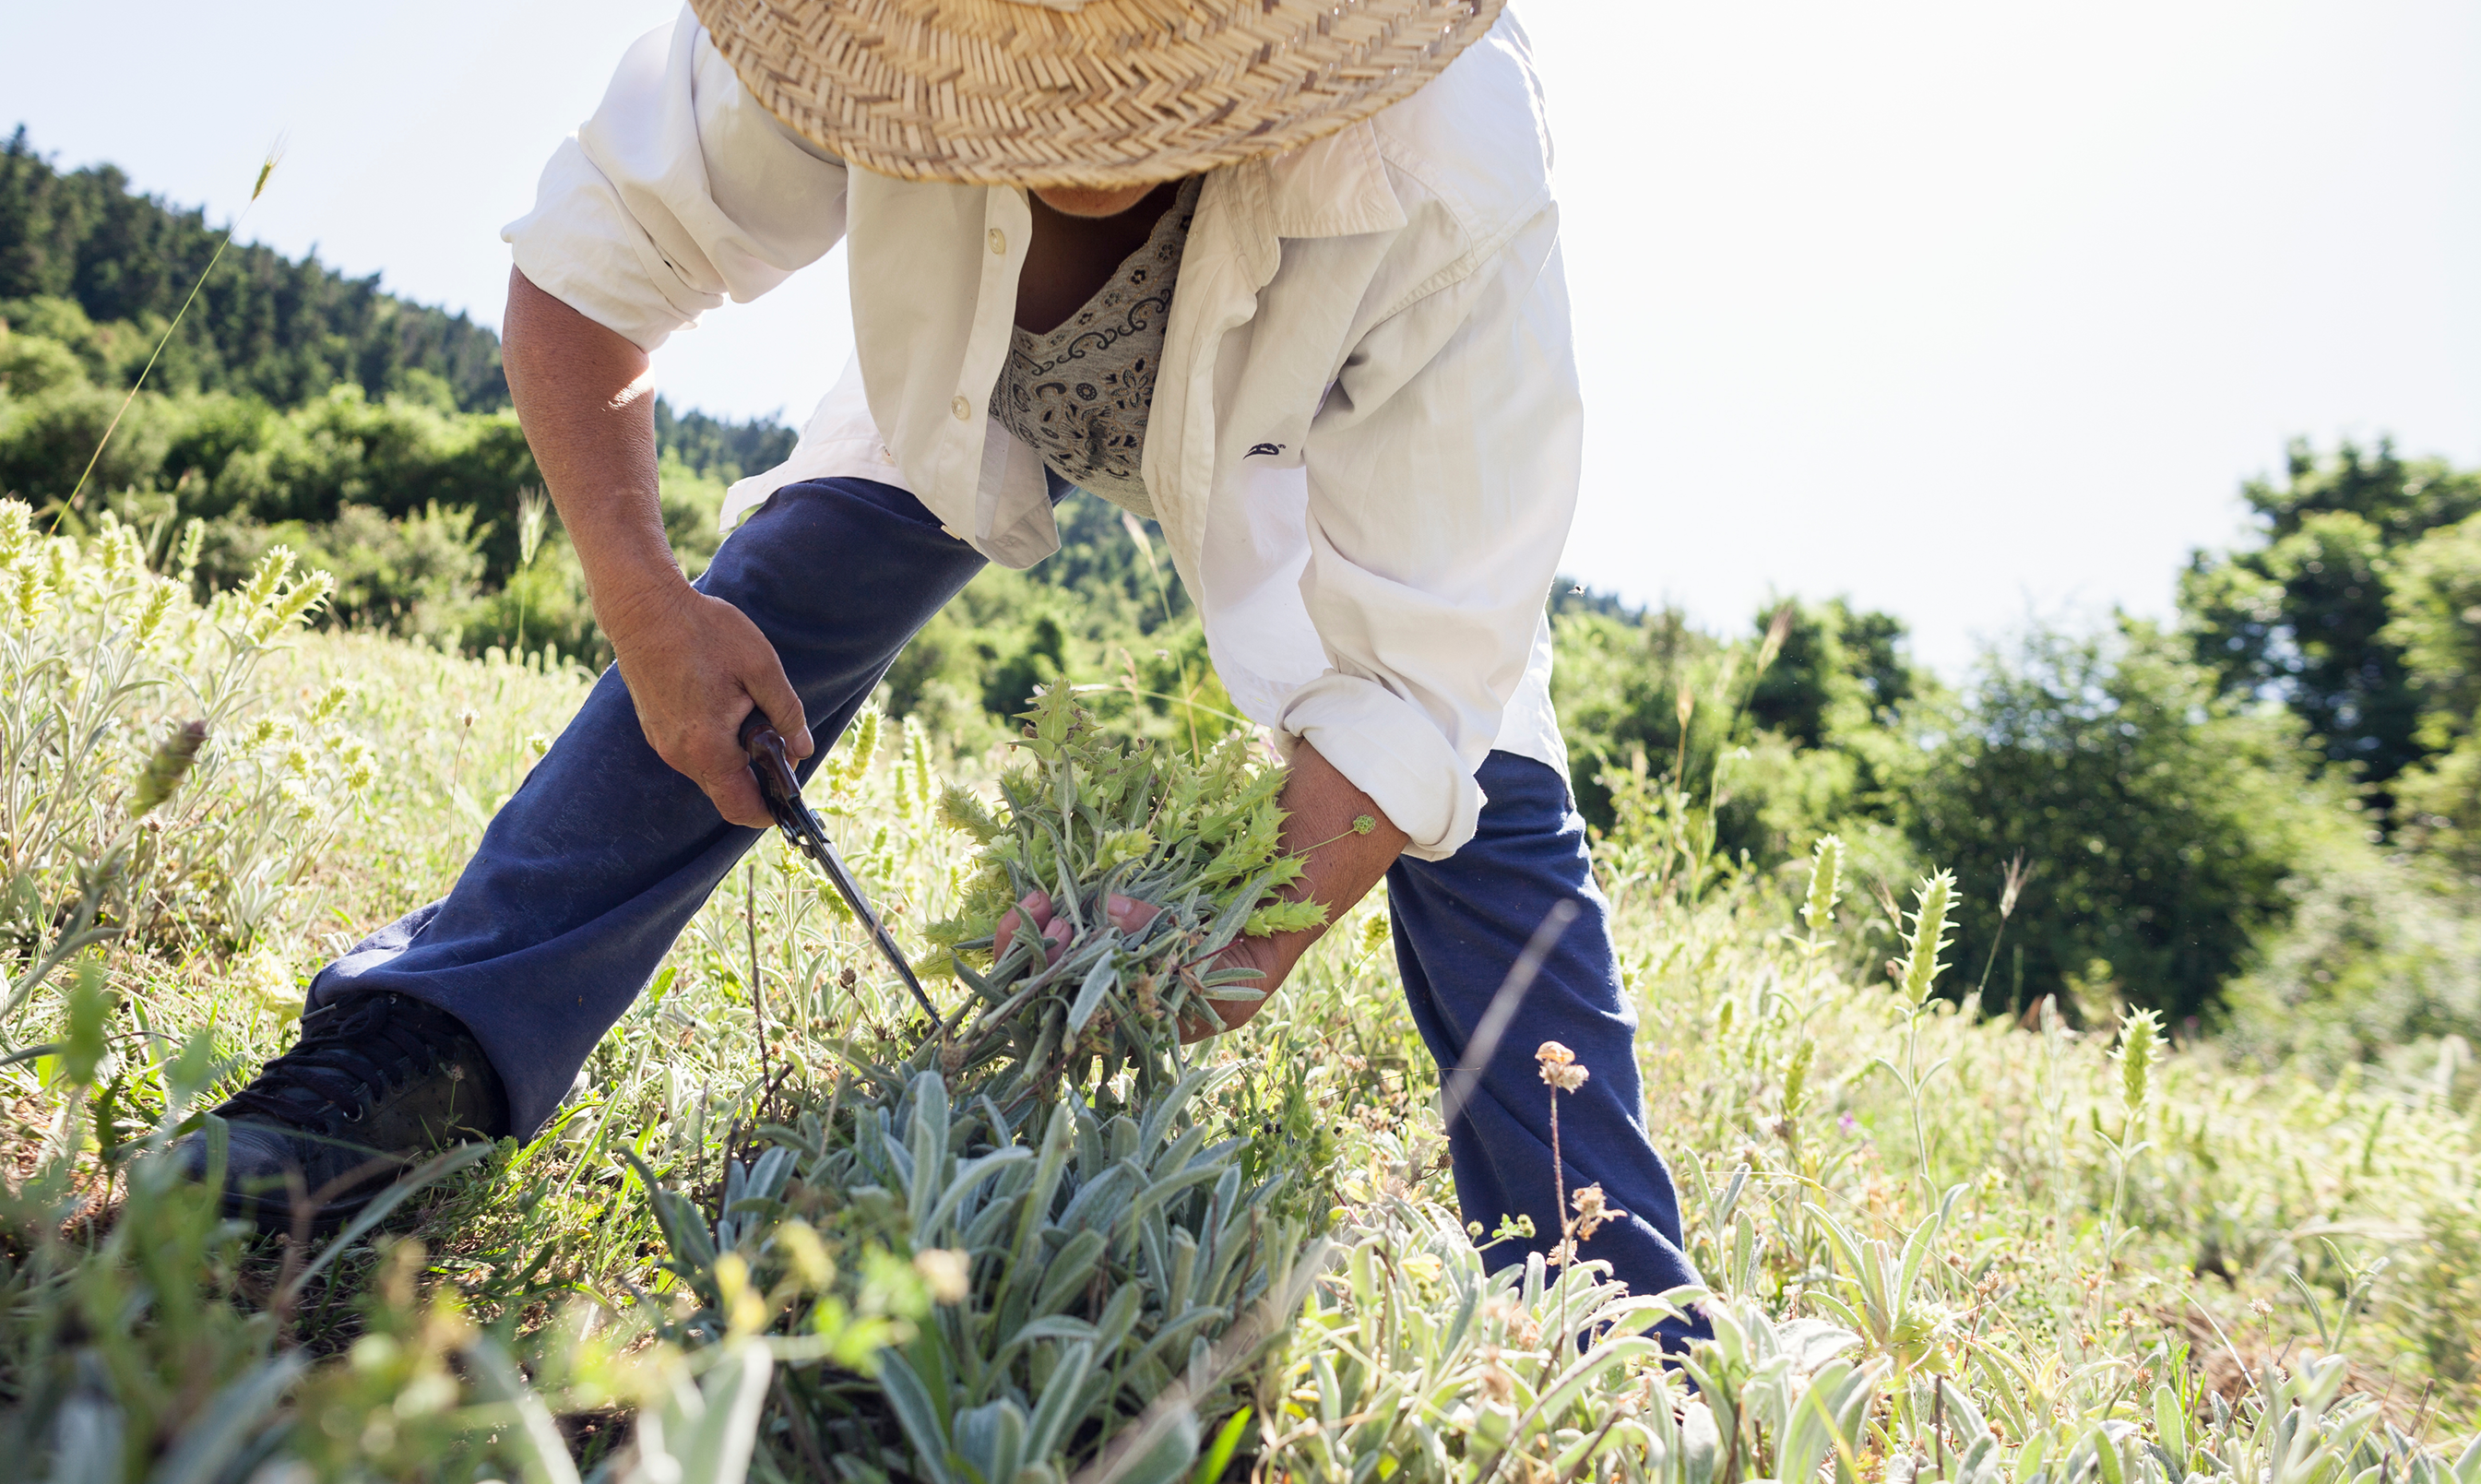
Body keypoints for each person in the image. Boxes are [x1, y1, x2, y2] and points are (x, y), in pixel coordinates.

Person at [180, 0, 1703, 1306]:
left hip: (1327, 461)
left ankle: (1615, 1321)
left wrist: (1172, 966)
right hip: (975, 391)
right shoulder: (856, 40)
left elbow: (1425, 669)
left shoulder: (1448, 153)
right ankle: (424, 1042)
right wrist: (655, 620)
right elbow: (591, 272)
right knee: (775, 602)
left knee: (1481, 790)